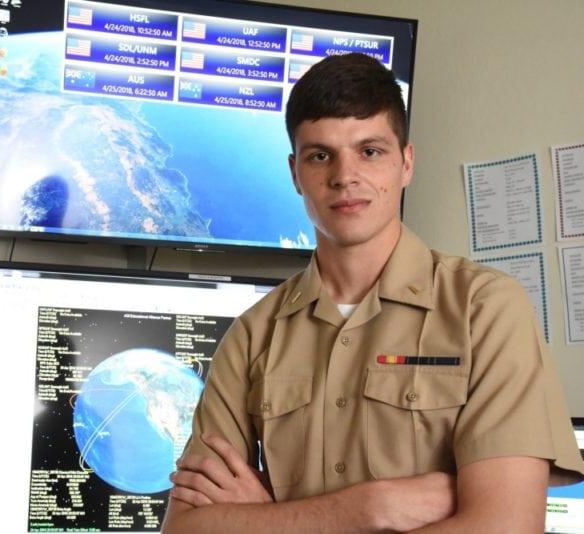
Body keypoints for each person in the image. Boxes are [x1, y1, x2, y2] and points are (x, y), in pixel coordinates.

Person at [161, 53, 584, 533]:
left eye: (370, 151)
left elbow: (505, 526)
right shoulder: (253, 336)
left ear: (405, 163)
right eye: (320, 155)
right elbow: (186, 529)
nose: (345, 176)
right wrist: (370, 507)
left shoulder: (484, 310)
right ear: (295, 172)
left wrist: (265, 520)